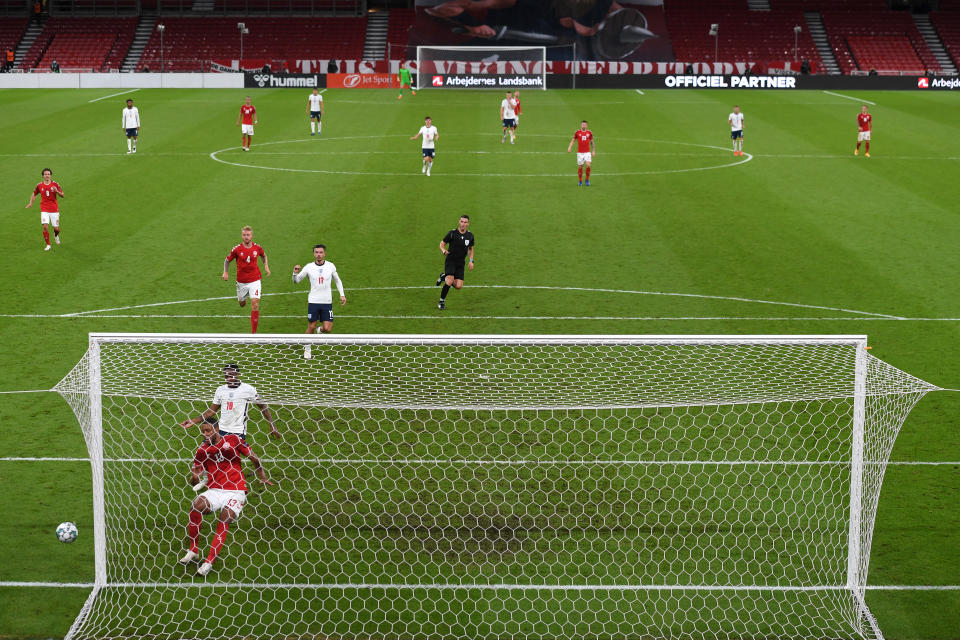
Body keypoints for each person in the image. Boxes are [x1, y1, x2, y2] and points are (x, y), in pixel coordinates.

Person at [179, 418, 274, 576]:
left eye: (208, 430)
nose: (205, 434)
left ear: (217, 429)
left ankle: (209, 562)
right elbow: (195, 475)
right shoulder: (202, 450)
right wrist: (195, 478)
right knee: (195, 507)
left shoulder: (234, 439)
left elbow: (254, 458)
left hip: (236, 490)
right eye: (203, 431)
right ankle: (193, 550)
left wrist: (262, 475)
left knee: (224, 519)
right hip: (215, 490)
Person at [179, 363, 281, 441]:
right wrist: (192, 421)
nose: (228, 379)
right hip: (220, 430)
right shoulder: (220, 390)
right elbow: (211, 412)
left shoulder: (248, 389)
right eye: (226, 376)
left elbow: (263, 406)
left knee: (232, 460)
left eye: (231, 376)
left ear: (237, 374)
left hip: (238, 431)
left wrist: (272, 425)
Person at [292, 244, 346, 359]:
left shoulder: (330, 266)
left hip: (327, 302)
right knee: (311, 326)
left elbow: (338, 280)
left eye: (321, 252)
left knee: (327, 328)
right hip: (313, 301)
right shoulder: (308, 267)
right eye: (316, 252)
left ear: (324, 253)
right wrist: (295, 273)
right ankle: (307, 348)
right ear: (314, 254)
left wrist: (342, 295)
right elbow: (296, 281)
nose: (319, 255)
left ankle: (319, 330)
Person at [223, 226, 271, 333]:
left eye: (248, 235)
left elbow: (263, 255)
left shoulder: (257, 248)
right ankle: (242, 299)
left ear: (252, 236)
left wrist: (266, 267)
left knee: (255, 303)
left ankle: (253, 333)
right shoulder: (236, 249)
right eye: (244, 235)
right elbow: (227, 260)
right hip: (241, 282)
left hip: (255, 280)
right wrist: (225, 272)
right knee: (242, 303)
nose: (246, 237)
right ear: (242, 236)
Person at [435, 215, 475, 311]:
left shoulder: (470, 236)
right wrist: (444, 250)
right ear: (459, 222)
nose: (463, 224)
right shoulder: (452, 233)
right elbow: (442, 243)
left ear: (468, 224)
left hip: (461, 263)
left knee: (458, 286)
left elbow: (471, 249)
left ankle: (443, 277)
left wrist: (471, 261)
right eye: (462, 221)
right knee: (450, 280)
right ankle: (441, 301)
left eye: (465, 222)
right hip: (451, 260)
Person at [25, 167, 64, 251]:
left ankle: (56, 235)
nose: (47, 176)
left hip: (54, 209)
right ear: (43, 176)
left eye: (48, 174)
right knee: (45, 227)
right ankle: (48, 245)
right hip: (44, 209)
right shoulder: (39, 185)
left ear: (50, 175)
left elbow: (63, 195)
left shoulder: (55, 184)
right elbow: (34, 194)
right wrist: (31, 203)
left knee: (56, 229)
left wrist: (57, 191)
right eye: (45, 174)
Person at [567, 120, 595, 186]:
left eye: (585, 125)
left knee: (588, 165)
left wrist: (593, 151)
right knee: (580, 166)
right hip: (580, 153)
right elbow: (573, 140)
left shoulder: (589, 133)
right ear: (581, 125)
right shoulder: (577, 132)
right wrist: (569, 147)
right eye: (582, 124)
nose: (583, 126)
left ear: (587, 126)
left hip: (587, 152)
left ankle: (587, 180)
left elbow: (592, 142)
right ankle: (580, 181)